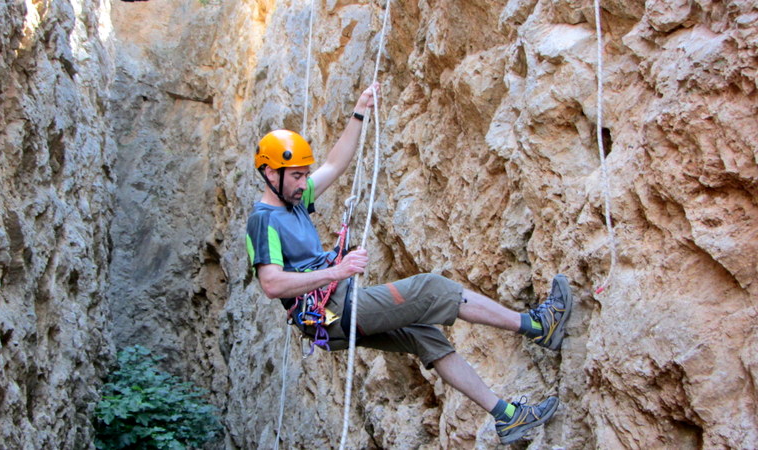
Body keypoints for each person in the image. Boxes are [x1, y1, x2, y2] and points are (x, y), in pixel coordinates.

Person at [245, 84, 572, 445]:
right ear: (270, 174)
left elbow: (335, 164)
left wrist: (360, 111)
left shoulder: (294, 199)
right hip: (330, 311)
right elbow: (272, 284)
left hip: (331, 313)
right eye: (296, 176)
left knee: (425, 336)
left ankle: (508, 417)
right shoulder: (264, 221)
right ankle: (537, 326)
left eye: (304, 174)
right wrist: (338, 271)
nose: (303, 182)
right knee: (431, 288)